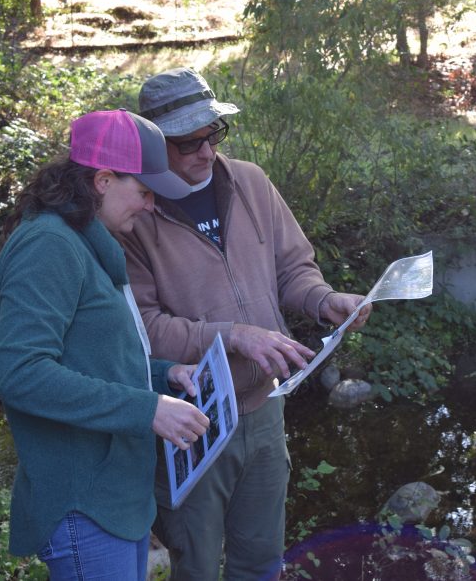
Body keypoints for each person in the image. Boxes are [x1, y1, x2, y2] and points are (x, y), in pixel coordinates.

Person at [119, 67, 372, 580]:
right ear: (154, 145)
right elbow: (142, 331)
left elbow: (292, 268)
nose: (206, 153)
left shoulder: (251, 181)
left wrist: (324, 301)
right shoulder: (131, 213)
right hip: (190, 422)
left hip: (264, 409)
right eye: (189, 143)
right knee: (196, 566)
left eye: (214, 135)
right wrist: (233, 335)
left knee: (261, 561)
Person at [0, 109, 211, 580]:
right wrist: (148, 409)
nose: (150, 206)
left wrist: (164, 375)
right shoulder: (48, 246)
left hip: (114, 499)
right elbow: (23, 374)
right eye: (144, 191)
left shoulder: (89, 242)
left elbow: (96, 356)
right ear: (104, 180)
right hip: (82, 504)